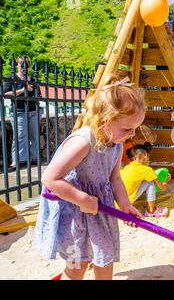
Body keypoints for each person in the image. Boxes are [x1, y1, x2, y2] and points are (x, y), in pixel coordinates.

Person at [33, 75, 145, 280]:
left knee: (105, 257)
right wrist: (83, 199)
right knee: (77, 265)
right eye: (128, 128)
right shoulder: (84, 142)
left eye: (135, 128)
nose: (132, 134)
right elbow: (50, 179)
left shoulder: (116, 142)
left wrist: (125, 204)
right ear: (106, 121)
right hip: (75, 213)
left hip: (100, 211)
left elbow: (115, 179)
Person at [3, 56, 42, 172]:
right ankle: (16, 161)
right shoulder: (12, 78)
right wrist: (22, 90)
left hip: (33, 111)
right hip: (19, 112)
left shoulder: (32, 79)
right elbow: (5, 93)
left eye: (27, 65)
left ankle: (33, 158)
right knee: (19, 137)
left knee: (34, 136)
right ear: (17, 66)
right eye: (22, 65)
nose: (24, 68)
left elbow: (38, 95)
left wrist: (32, 91)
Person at [120, 142, 171, 218]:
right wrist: (166, 181)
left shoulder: (127, 167)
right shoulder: (147, 170)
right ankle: (151, 211)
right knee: (150, 182)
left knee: (146, 181)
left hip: (116, 202)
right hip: (126, 203)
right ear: (146, 155)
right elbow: (162, 188)